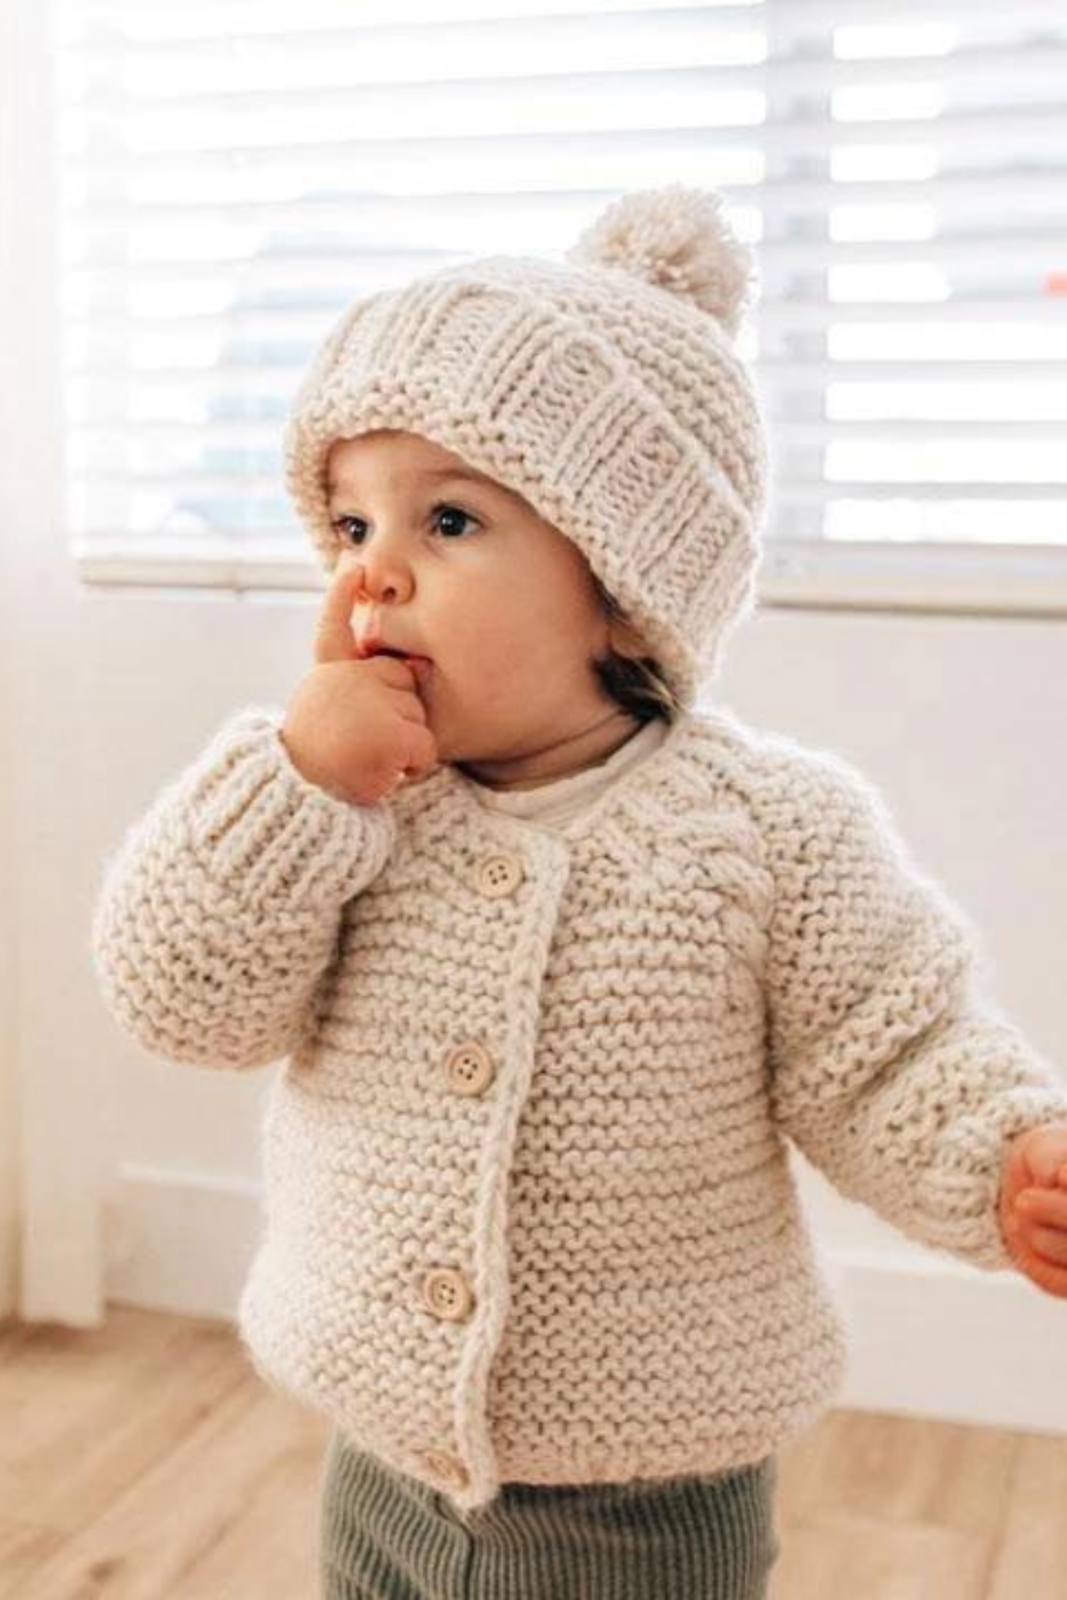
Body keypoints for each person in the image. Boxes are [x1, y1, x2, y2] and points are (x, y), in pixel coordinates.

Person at [90, 186, 1067, 1600]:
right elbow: (182, 998)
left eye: (448, 519)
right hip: (382, 1464)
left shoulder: (765, 833)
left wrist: (1003, 1161)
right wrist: (302, 781)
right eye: (350, 522)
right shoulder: (345, 806)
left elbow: (889, 1052)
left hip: (645, 1503)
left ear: (621, 581)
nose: (374, 572)